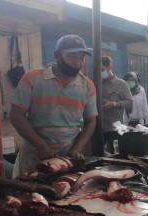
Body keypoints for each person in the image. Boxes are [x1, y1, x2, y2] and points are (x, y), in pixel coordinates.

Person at [10, 34, 97, 178]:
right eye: (72, 56)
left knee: (65, 195)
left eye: (81, 57)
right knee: (28, 195)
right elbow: (16, 116)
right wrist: (41, 145)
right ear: (57, 55)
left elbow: (91, 121)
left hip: (69, 156)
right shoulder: (32, 79)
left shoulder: (88, 86)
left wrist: (77, 148)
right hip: (34, 152)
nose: (77, 62)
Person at [101, 56, 133, 153]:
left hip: (115, 128)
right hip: (100, 128)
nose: (100, 72)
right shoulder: (97, 83)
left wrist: (114, 104)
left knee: (116, 153)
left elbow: (130, 102)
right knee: (98, 153)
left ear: (109, 67)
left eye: (102, 69)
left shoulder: (121, 84)